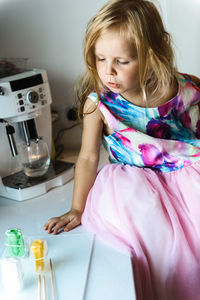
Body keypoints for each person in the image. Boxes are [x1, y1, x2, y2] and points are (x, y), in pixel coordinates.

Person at [44, 0, 200, 299]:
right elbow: (89, 157)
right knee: (154, 237)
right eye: (100, 59)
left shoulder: (184, 88)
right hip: (136, 184)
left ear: (150, 54)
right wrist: (78, 208)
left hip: (186, 174)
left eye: (122, 61)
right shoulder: (100, 104)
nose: (108, 72)